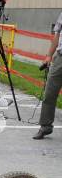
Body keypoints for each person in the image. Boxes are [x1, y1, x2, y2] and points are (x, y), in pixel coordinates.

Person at [33, 11, 62, 139]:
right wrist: (49, 55)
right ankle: (45, 126)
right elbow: (57, 35)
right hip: (60, 57)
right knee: (49, 92)